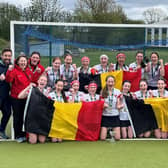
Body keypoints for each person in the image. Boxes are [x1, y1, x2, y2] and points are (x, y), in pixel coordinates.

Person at [6, 55, 33, 142]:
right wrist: (9, 71)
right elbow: (8, 80)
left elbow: (33, 81)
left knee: (25, 116)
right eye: (21, 61)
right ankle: (18, 135)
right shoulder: (14, 71)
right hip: (16, 98)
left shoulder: (29, 71)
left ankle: (25, 134)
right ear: (17, 62)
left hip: (27, 98)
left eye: (24, 61)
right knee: (17, 116)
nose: (23, 63)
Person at [18, 74, 49, 144]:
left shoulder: (48, 92)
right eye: (41, 80)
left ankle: (39, 134)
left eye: (45, 81)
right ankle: (30, 135)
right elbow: (20, 96)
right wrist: (28, 87)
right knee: (33, 141)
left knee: (42, 141)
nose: (43, 82)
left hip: (42, 118)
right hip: (32, 119)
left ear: (46, 83)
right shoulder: (32, 90)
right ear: (38, 81)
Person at [100, 75, 121, 141]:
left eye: (112, 81)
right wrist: (103, 106)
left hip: (115, 115)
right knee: (102, 138)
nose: (110, 83)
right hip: (105, 116)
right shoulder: (102, 92)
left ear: (114, 82)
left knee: (117, 138)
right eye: (109, 81)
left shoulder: (118, 92)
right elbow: (101, 105)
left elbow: (118, 105)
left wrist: (120, 106)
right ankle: (109, 131)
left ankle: (111, 132)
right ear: (106, 82)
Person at [0, 48, 12, 139]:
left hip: (6, 96)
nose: (7, 57)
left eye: (9, 56)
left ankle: (1, 131)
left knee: (7, 113)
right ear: (2, 56)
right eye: (6, 56)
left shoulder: (11, 66)